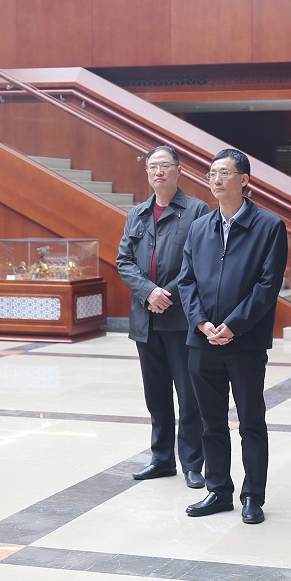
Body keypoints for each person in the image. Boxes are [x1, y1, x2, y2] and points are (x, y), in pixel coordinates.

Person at [178, 149, 287, 525]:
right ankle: (219, 491)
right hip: (202, 341)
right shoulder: (199, 227)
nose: (216, 179)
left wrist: (235, 324)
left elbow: (267, 285)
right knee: (210, 422)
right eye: (212, 173)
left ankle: (253, 496)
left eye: (224, 173)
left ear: (244, 180)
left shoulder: (269, 226)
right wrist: (200, 322)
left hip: (245, 343)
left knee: (251, 421)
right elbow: (186, 280)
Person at [117, 145, 210, 489]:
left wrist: (164, 294)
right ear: (147, 173)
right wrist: (147, 292)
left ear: (178, 171)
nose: (159, 172)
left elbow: (199, 261)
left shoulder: (197, 210)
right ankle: (161, 459)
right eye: (153, 166)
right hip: (146, 320)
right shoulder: (137, 214)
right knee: (156, 396)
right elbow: (124, 261)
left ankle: (192, 464)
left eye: (165, 166)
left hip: (181, 319)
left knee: (189, 397)